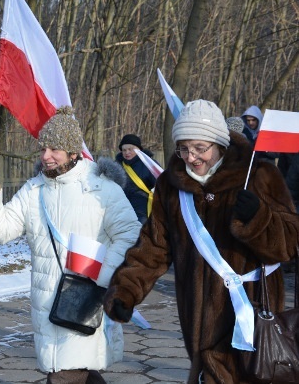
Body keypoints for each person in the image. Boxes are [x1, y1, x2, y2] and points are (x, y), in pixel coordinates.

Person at [103, 100, 299, 383]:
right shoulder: (172, 185)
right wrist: (126, 290)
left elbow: (291, 243)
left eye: (199, 148)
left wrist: (259, 218)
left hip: (253, 316)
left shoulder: (259, 176)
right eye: (183, 148)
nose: (191, 157)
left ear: (219, 144)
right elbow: (154, 246)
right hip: (198, 318)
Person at [0, 106, 142, 384]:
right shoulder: (34, 190)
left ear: (73, 152)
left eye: (54, 149)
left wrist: (100, 274)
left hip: (84, 300)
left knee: (66, 375)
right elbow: (0, 231)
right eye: (43, 148)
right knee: (76, 373)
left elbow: (130, 234)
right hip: (46, 306)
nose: (45, 156)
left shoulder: (100, 187)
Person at [115, 134, 159, 224]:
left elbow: (161, 185)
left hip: (144, 209)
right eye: (124, 150)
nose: (127, 152)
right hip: (122, 208)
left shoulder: (150, 164)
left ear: (138, 149)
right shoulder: (116, 166)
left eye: (130, 149)